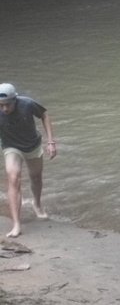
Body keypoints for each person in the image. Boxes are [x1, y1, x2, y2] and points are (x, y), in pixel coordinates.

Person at [0, 83, 56, 237]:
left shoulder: (27, 103)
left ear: (15, 100)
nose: (4, 109)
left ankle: (36, 204)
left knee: (36, 177)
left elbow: (45, 115)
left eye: (8, 105)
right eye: (1, 105)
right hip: (11, 146)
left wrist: (51, 142)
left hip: (32, 145)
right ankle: (16, 224)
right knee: (13, 178)